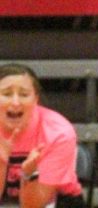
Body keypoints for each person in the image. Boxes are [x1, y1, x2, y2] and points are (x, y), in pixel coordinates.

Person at [0, 64, 83, 208]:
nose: (15, 102)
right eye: (6, 94)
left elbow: (34, 205)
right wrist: (1, 161)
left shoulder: (58, 132)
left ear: (36, 99)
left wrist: (29, 174)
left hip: (58, 201)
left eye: (24, 94)